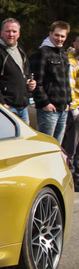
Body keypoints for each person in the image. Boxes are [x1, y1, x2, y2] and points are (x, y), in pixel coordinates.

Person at [0, 18, 36, 123]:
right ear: (1, 33)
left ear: (19, 34)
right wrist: (0, 103)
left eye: (14, 31)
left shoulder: (19, 49)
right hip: (6, 108)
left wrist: (30, 82)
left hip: (23, 107)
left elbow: (25, 73)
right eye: (8, 31)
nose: (11, 34)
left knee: (25, 139)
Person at [31, 21, 72, 143]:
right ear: (50, 34)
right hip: (49, 110)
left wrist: (68, 102)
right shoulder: (42, 53)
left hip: (63, 109)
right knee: (46, 146)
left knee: (57, 147)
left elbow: (65, 81)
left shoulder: (63, 54)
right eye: (57, 35)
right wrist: (45, 103)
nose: (59, 39)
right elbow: (36, 81)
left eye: (62, 36)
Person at [62, 34, 79, 188]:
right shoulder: (72, 62)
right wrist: (74, 110)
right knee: (72, 147)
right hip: (75, 110)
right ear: (75, 43)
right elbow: (70, 88)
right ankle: (72, 179)